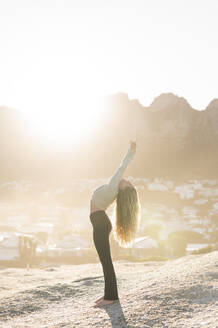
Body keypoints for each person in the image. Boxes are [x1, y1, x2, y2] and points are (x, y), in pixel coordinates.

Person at [90, 141, 140, 307]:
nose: (127, 180)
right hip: (100, 222)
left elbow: (122, 167)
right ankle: (109, 295)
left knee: (106, 261)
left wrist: (130, 152)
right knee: (105, 261)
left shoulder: (113, 187)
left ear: (124, 189)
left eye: (129, 183)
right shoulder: (114, 191)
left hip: (100, 223)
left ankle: (110, 297)